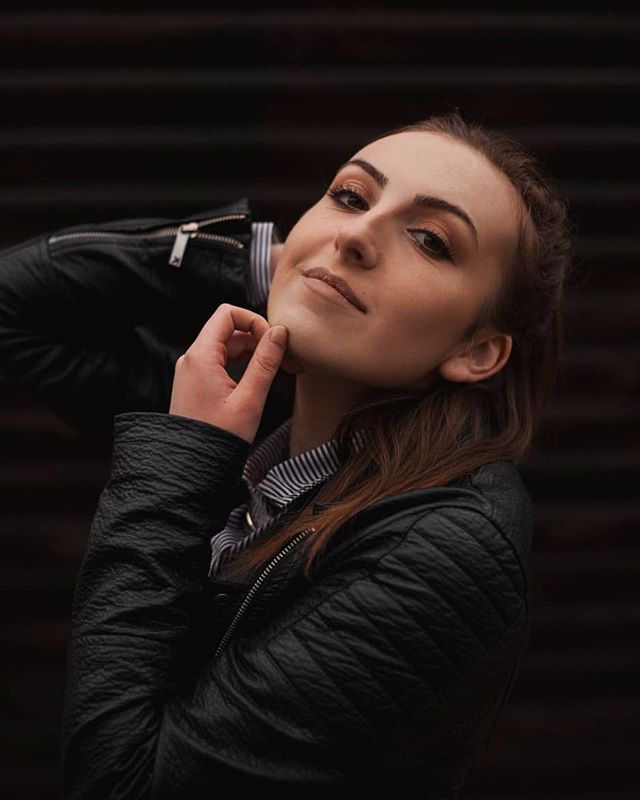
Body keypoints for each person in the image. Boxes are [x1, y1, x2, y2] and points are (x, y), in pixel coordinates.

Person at [0, 111, 574, 799]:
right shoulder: (258, 418)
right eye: (350, 197)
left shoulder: (444, 547)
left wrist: (187, 453)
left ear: (476, 350)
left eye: (429, 240)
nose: (355, 236)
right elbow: (16, 307)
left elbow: (122, 786)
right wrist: (254, 257)